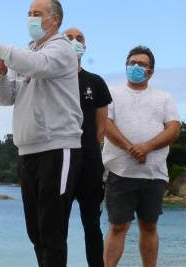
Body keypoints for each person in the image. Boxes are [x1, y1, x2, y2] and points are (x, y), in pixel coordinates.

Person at [0, 0, 81, 267]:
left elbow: (38, 65)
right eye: (29, 13)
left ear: (54, 20)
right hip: (28, 151)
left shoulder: (62, 49)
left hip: (57, 148)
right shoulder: (27, 54)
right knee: (35, 231)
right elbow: (5, 98)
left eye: (37, 13)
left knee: (52, 229)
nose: (31, 19)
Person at [102, 46, 180, 267]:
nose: (135, 67)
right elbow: (106, 124)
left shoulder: (164, 97)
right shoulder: (112, 93)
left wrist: (147, 147)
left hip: (153, 174)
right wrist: (130, 148)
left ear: (151, 71)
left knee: (149, 226)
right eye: (131, 63)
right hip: (120, 172)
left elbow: (173, 129)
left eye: (142, 64)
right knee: (118, 227)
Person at [64, 27, 112, 267]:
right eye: (68, 38)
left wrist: (90, 148)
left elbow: (101, 128)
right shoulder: (53, 79)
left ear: (86, 46)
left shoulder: (96, 82)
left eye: (79, 38)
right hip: (59, 160)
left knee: (92, 226)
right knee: (55, 228)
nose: (74, 41)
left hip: (90, 162)